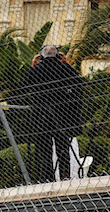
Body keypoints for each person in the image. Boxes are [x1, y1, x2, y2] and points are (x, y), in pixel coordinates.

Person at [19, 45, 85, 183]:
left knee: (45, 150)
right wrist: (66, 64)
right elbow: (79, 82)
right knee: (63, 148)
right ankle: (65, 176)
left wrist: (32, 67)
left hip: (41, 115)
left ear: (41, 57)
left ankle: (48, 179)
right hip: (62, 114)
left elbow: (23, 87)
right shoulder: (64, 68)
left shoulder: (37, 70)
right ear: (58, 56)